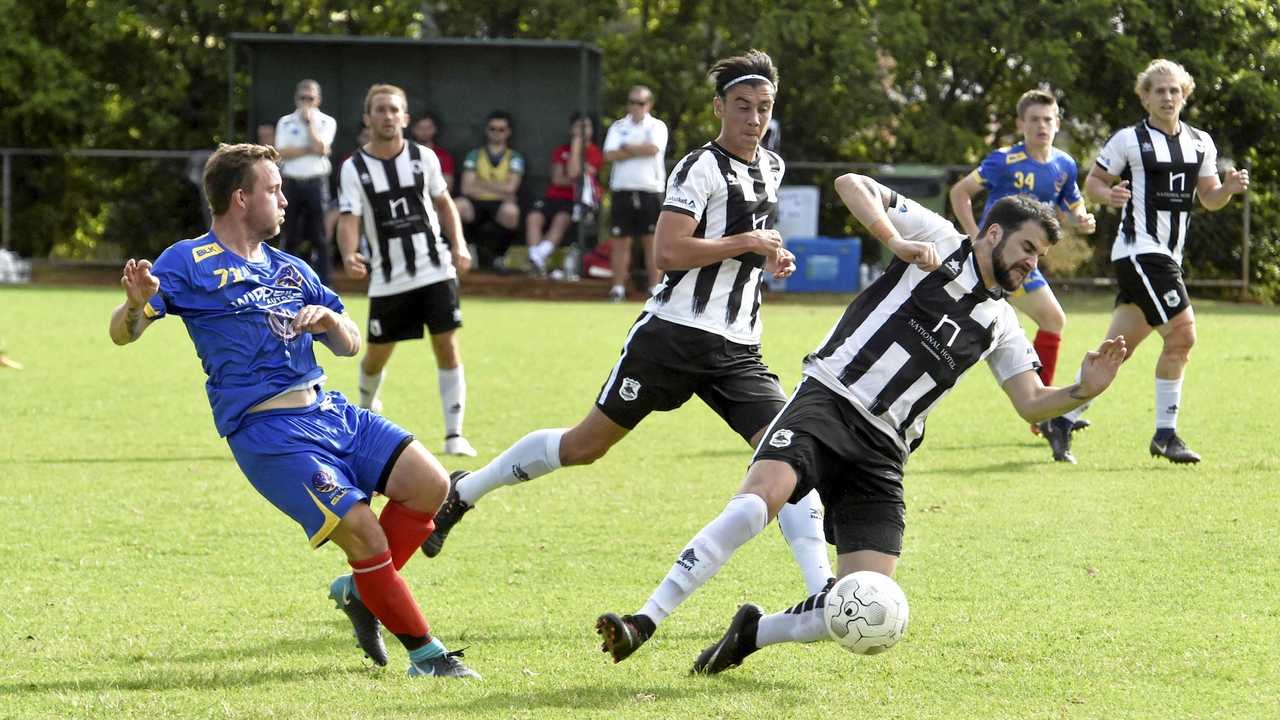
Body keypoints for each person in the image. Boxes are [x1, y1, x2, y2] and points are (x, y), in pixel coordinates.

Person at [595, 175, 1129, 672]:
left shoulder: (1002, 324)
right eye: (1028, 249)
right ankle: (646, 620)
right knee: (759, 502)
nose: (1032, 265)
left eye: (1040, 256)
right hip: (829, 398)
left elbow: (1031, 402)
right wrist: (892, 240)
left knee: (867, 600)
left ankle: (753, 634)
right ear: (993, 232)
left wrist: (1083, 389)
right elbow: (851, 184)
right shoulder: (939, 239)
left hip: (885, 452)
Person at [420, 50, 834, 598]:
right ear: (718, 108)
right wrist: (748, 243)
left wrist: (768, 258)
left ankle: (823, 591)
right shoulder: (697, 167)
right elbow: (667, 252)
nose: (754, 120)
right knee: (585, 445)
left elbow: (745, 239)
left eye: (763, 108)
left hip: (738, 347)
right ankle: (465, 491)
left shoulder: (772, 167)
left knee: (788, 455)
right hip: (673, 337)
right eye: (742, 107)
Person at [107, 142, 479, 680]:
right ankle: (428, 657)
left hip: (330, 410)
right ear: (241, 198)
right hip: (268, 430)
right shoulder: (188, 261)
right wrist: (136, 304)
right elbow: (124, 334)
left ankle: (362, 590)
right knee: (365, 535)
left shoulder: (291, 267)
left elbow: (350, 341)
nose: (285, 199)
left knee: (431, 486)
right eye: (274, 190)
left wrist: (328, 322)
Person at [1046, 58, 1248, 464]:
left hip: (1165, 256)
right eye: (1159, 90)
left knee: (1117, 349)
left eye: (1174, 90)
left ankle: (1062, 418)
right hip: (1141, 251)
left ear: (1185, 94)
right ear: (1145, 97)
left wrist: (1226, 188)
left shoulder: (1200, 142)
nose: (1168, 96)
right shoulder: (1128, 140)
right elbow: (1094, 183)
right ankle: (1165, 435)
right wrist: (1109, 196)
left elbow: (1208, 199)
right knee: (1183, 336)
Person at [949, 89, 1098, 443]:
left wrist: (1083, 219)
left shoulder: (1064, 164)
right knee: (1036, 321)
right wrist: (976, 238)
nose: (1042, 126)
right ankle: (1041, 407)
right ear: (1021, 124)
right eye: (1034, 120)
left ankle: (1040, 406)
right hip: (995, 259)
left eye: (1048, 120)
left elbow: (1073, 204)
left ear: (1058, 123)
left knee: (1046, 321)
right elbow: (960, 192)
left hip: (1026, 263)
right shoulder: (1004, 161)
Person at [337, 84, 477, 458]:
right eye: (379, 110)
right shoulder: (354, 168)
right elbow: (349, 217)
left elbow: (444, 204)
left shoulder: (424, 158)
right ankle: (365, 411)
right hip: (388, 277)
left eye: (393, 110)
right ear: (368, 118)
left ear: (405, 117)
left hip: (435, 270)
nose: (387, 116)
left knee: (446, 345)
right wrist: (349, 254)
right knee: (377, 355)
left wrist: (459, 244)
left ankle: (454, 433)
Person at [602, 85, 668, 301]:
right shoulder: (618, 126)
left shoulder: (657, 126)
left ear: (648, 105)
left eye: (639, 103)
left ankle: (655, 289)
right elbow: (610, 154)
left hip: (650, 189)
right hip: (622, 189)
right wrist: (637, 148)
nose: (635, 107)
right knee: (621, 241)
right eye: (631, 102)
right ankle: (618, 288)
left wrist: (626, 148)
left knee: (652, 242)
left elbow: (653, 149)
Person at [526, 112, 604, 275]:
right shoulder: (560, 150)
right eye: (578, 126)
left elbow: (573, 172)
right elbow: (558, 179)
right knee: (534, 217)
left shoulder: (594, 153)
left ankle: (538, 257)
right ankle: (537, 260)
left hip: (576, 200)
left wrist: (576, 148)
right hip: (554, 196)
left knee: (561, 219)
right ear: (571, 129)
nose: (582, 130)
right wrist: (574, 177)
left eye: (586, 126)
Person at [275, 79, 337, 284]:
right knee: (289, 235)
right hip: (291, 183)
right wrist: (309, 149)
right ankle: (287, 281)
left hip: (316, 183)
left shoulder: (327, 121)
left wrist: (309, 124)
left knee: (319, 236)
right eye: (303, 98)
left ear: (318, 99)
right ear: (296, 99)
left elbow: (321, 147)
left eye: (310, 98)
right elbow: (281, 152)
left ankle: (323, 283)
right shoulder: (285, 122)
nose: (306, 102)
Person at [456, 111, 523, 268]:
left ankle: (500, 256)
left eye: (501, 129)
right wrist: (501, 188)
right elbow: (466, 187)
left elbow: (511, 187)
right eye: (493, 129)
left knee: (511, 212)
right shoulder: (475, 155)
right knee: (457, 206)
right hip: (475, 202)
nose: (497, 133)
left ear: (508, 132)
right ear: (487, 131)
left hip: (500, 204)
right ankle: (465, 249)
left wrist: (480, 182)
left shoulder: (515, 157)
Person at [411, 112, 456, 195]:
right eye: (420, 128)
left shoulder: (444, 156)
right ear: (413, 130)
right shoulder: (405, 153)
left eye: (428, 128)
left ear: (435, 129)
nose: (424, 131)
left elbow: (447, 187)